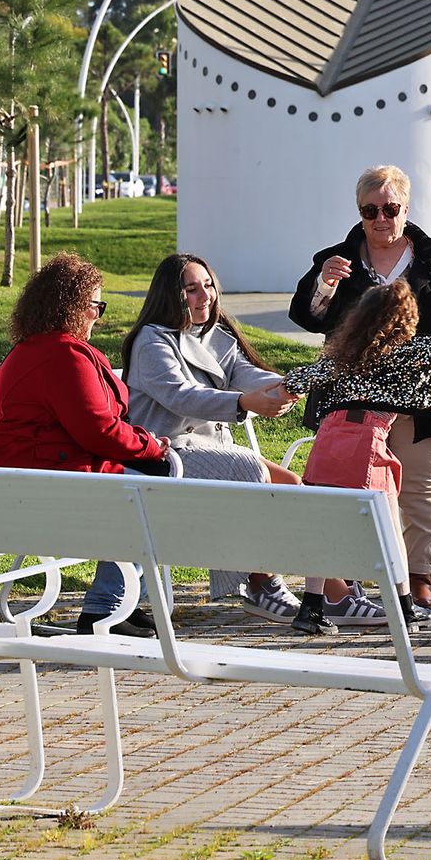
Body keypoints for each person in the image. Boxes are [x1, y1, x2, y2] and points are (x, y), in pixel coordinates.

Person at [282, 281, 431, 635]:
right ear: (407, 319)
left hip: (329, 439)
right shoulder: (408, 352)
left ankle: (311, 608)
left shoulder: (341, 355)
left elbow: (296, 381)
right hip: (368, 440)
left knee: (326, 522)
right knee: (389, 526)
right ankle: (405, 607)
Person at [288, 165, 431, 613]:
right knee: (350, 488)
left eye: (390, 209)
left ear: (406, 209)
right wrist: (324, 286)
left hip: (417, 396)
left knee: (421, 486)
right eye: (370, 210)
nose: (380, 218)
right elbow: (307, 316)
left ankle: (417, 578)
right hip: (354, 400)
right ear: (359, 212)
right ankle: (346, 578)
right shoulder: (336, 259)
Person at [0, 252, 170, 638]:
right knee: (155, 489)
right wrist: (151, 445)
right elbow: (99, 431)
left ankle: (119, 601)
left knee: (149, 481)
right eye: (96, 306)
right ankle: (105, 609)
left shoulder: (33, 349)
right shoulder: (63, 357)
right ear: (72, 306)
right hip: (45, 488)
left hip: (25, 480)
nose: (97, 316)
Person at [108, 252, 307, 623]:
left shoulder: (215, 335)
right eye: (192, 289)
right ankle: (261, 584)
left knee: (294, 486)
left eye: (208, 285)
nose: (205, 296)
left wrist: (287, 386)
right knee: (249, 468)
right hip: (164, 455)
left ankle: (309, 587)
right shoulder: (152, 341)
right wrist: (243, 403)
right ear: (172, 295)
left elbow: (245, 374)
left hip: (206, 449)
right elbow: (182, 396)